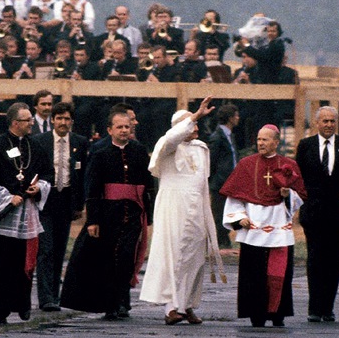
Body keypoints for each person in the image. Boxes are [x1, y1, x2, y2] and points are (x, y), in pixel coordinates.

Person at [61, 108, 154, 320]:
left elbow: (148, 184)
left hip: (133, 213)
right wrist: (93, 220)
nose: (124, 130)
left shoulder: (139, 150)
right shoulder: (100, 153)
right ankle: (111, 303)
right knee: (110, 258)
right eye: (119, 127)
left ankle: (123, 301)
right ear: (110, 130)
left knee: (127, 257)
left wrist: (147, 213)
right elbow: (93, 189)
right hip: (108, 214)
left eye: (127, 127)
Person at [140, 98, 225, 325]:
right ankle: (171, 309)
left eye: (196, 124)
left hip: (197, 206)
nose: (195, 127)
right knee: (174, 255)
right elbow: (171, 139)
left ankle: (186, 305)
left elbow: (203, 181)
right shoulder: (167, 145)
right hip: (174, 207)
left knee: (195, 257)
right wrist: (195, 115)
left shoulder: (201, 148)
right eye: (190, 124)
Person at [220, 124, 307, 327]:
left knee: (278, 273)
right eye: (259, 139)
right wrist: (239, 217)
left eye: (265, 140)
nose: (260, 143)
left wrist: (287, 195)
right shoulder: (246, 164)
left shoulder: (288, 164)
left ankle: (278, 313)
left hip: (278, 227)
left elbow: (300, 196)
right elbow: (234, 197)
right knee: (254, 275)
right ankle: (256, 315)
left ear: (276, 142)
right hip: (254, 227)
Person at [0, 103, 51, 325]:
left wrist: (38, 188)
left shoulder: (34, 145)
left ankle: (22, 305)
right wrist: (8, 198)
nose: (31, 123)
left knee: (22, 265)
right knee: (0, 265)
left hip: (25, 214)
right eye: (28, 120)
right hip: (2, 218)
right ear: (15, 123)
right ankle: (0, 310)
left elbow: (47, 174)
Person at [295, 106, 339, 322]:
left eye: (332, 121)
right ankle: (315, 308)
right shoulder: (305, 146)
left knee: (334, 261)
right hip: (313, 213)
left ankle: (328, 307)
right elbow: (298, 178)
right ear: (317, 123)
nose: (329, 125)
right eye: (325, 121)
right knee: (315, 260)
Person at [32, 101, 88, 312]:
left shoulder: (80, 142)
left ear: (71, 121)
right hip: (46, 198)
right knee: (45, 249)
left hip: (67, 200)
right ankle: (45, 297)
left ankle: (54, 295)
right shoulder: (40, 141)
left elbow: (82, 175)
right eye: (59, 118)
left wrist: (79, 205)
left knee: (59, 249)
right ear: (53, 120)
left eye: (67, 119)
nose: (63, 122)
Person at [208, 104, 240, 251]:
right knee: (219, 212)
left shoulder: (230, 136)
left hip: (230, 181)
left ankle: (224, 239)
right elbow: (212, 161)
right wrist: (215, 179)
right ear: (229, 118)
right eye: (236, 115)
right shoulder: (217, 137)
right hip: (220, 182)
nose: (238, 118)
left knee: (229, 211)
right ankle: (221, 241)